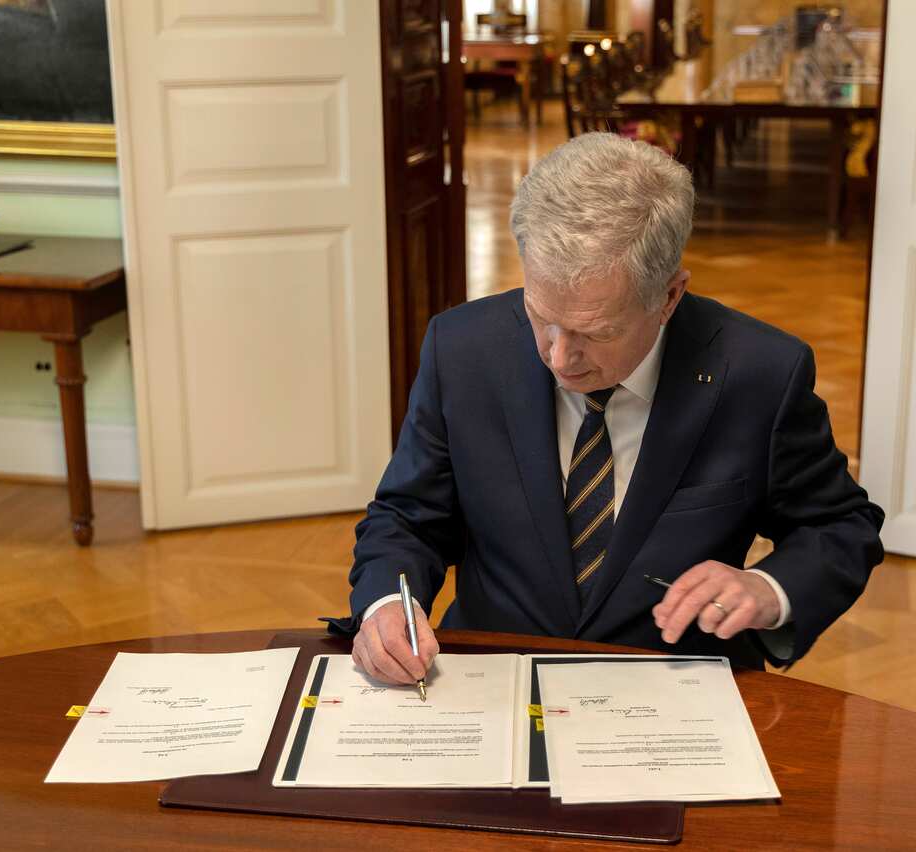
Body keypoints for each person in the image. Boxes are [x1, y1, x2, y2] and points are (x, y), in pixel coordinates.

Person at [340, 132, 884, 685]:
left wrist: (769, 589)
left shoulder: (762, 373)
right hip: (492, 678)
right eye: (539, 315)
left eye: (594, 332)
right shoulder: (461, 349)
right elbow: (408, 516)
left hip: (674, 691)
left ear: (669, 296)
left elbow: (840, 527)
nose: (557, 356)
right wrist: (386, 601)